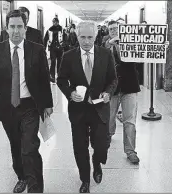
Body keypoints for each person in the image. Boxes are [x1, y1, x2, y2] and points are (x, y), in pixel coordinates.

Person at [0, 10, 53, 193]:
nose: (16, 31)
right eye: (12, 27)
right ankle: (22, 177)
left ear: (26, 28)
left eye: (20, 27)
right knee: (16, 146)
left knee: (30, 147)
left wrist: (48, 104)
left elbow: (44, 78)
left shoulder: (37, 49)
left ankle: (35, 188)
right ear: (6, 28)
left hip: (30, 106)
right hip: (7, 107)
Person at [57, 21, 118, 193]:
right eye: (82, 37)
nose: (86, 41)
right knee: (80, 147)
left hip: (99, 109)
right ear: (77, 36)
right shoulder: (68, 56)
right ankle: (85, 180)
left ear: (96, 36)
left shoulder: (105, 54)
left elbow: (113, 79)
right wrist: (70, 94)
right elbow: (61, 80)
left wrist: (108, 93)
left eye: (90, 37)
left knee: (100, 145)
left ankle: (97, 162)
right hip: (78, 110)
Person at [105, 20, 140, 164]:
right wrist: (111, 45)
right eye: (111, 29)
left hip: (129, 86)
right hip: (112, 88)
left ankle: (130, 151)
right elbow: (102, 61)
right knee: (109, 116)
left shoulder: (130, 43)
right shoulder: (106, 44)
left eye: (116, 28)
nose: (113, 31)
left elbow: (135, 58)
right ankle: (109, 134)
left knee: (130, 120)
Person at [44, 17, 66, 83]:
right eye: (54, 22)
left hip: (60, 47)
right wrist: (44, 48)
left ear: (58, 22)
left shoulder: (62, 29)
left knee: (60, 61)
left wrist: (64, 45)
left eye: (56, 22)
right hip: (52, 47)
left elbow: (65, 38)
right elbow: (45, 39)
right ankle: (52, 76)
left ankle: (59, 75)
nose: (55, 23)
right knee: (53, 61)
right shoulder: (49, 30)